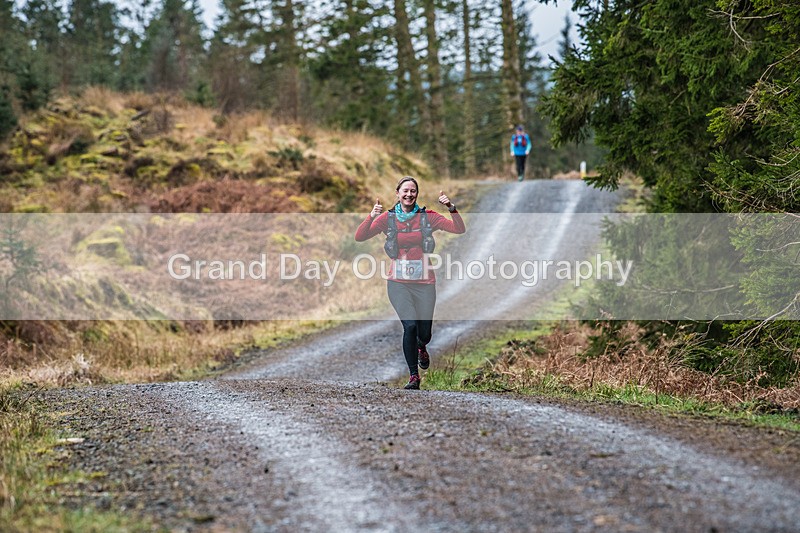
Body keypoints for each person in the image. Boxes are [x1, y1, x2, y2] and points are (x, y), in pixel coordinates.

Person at [354, 176, 466, 390]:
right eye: (405, 190)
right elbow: (360, 236)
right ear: (397, 193)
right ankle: (414, 376)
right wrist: (371, 216)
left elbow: (459, 229)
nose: (409, 194)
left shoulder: (427, 218)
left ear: (417, 194)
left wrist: (451, 207)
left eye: (413, 191)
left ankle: (422, 346)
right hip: (398, 282)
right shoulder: (387, 218)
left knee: (424, 334)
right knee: (410, 326)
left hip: (424, 282)